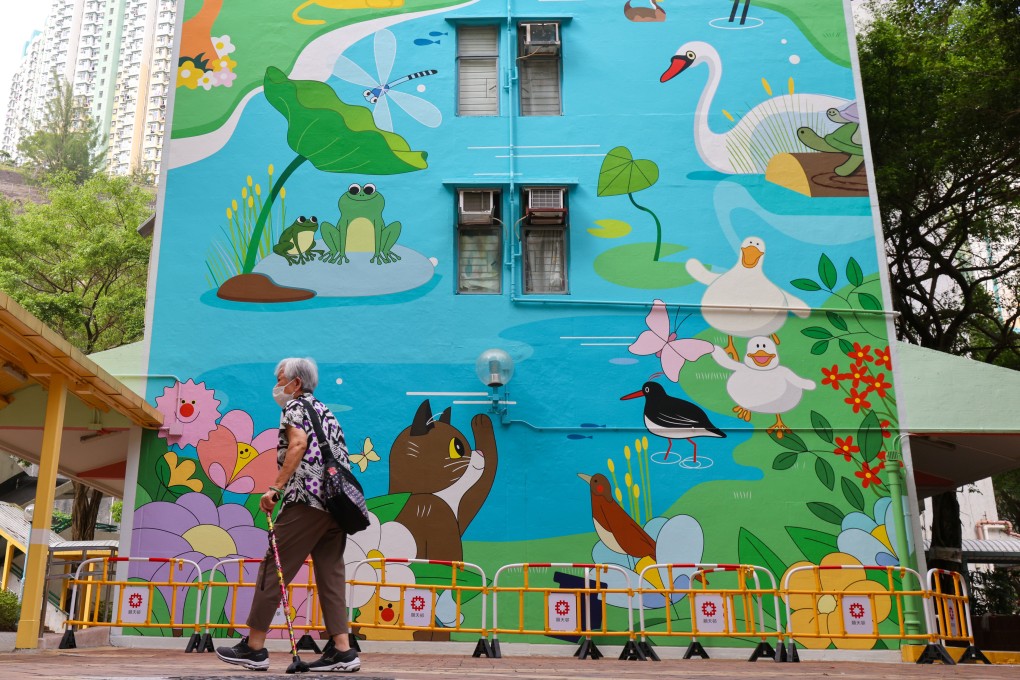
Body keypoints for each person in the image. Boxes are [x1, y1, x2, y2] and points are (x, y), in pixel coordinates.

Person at [216, 357, 360, 672]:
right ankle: (343, 651)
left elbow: (298, 444)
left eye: (280, 379)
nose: (277, 385)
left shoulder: (294, 408)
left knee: (273, 567)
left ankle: (254, 648)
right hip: (337, 507)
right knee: (330, 575)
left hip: (307, 502)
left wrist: (275, 489)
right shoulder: (326, 412)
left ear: (295, 383)